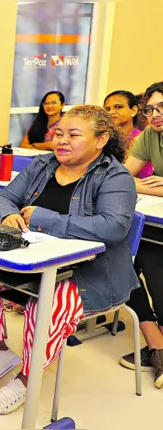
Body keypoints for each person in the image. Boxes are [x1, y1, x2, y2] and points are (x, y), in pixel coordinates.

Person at [0, 105, 138, 415]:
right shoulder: (42, 164)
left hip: (89, 275)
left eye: (73, 135)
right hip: (33, 259)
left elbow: (113, 227)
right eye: (58, 133)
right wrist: (7, 212)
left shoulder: (115, 176)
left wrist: (49, 219)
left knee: (46, 302)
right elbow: (3, 197)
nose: (61, 141)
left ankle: (27, 379)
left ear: (100, 140)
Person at [122, 81, 163, 388]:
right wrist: (141, 183)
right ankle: (155, 341)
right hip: (155, 221)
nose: (155, 115)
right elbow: (124, 176)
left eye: (162, 108)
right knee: (125, 257)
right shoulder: (151, 135)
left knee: (151, 261)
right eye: (150, 109)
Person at [104, 90, 151, 177]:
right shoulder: (103, 139)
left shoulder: (145, 137)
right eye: (107, 109)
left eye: (118, 107)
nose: (111, 112)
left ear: (134, 110)